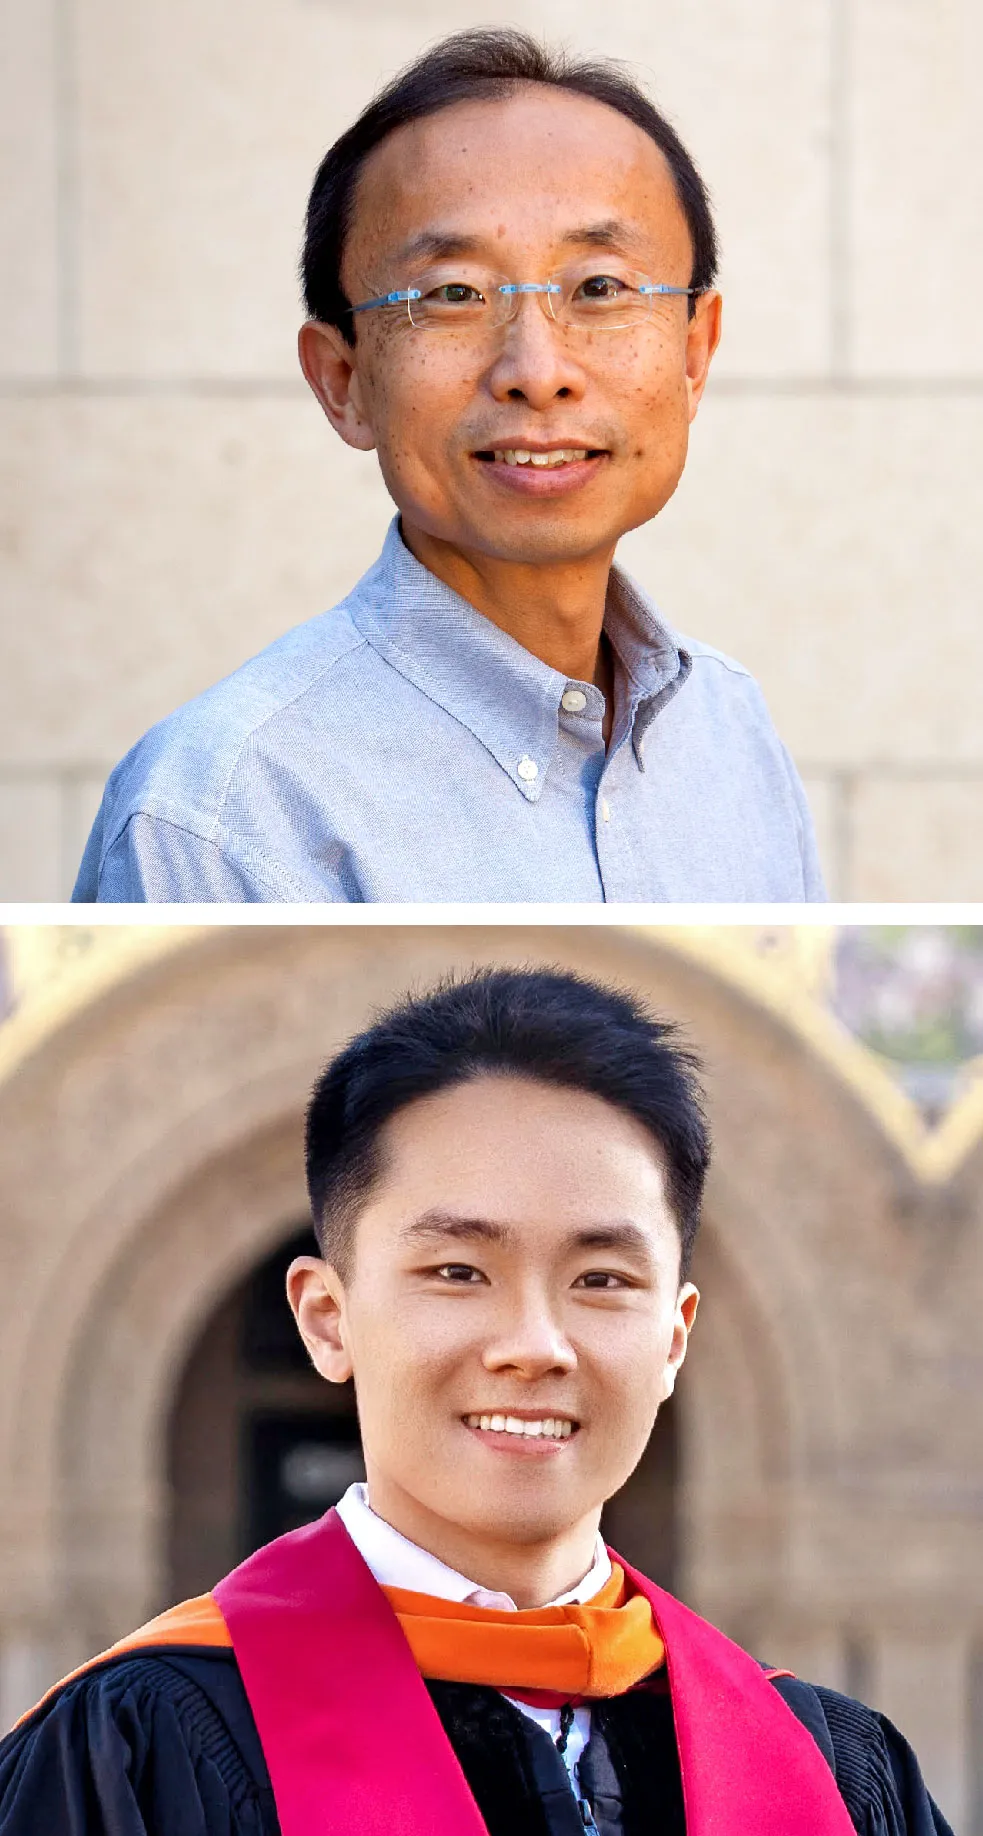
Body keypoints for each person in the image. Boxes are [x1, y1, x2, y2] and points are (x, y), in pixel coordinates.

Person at [0, 968, 949, 1834]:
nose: (534, 1346)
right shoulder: (140, 1742)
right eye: (458, 1270)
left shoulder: (831, 1768)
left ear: (673, 1337)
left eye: (602, 1279)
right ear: (328, 1319)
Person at [72, 30, 824, 904]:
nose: (537, 370)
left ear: (693, 355)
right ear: (345, 381)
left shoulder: (729, 729)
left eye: (598, 288)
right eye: (453, 295)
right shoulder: (222, 811)